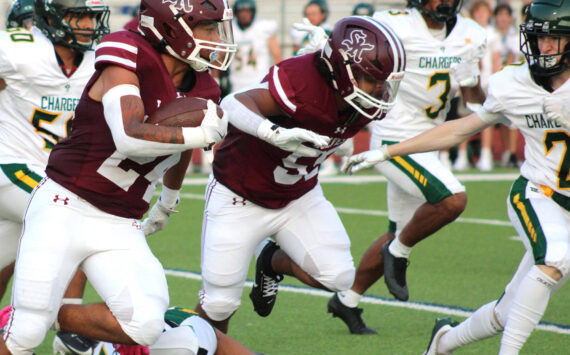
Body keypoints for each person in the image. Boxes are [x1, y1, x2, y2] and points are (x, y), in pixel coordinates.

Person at [0, 0, 235, 353]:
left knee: (144, 324)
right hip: (65, 204)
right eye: (207, 27)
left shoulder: (203, 88)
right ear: (172, 27)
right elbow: (128, 135)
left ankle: (56, 316)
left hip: (120, 220)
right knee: (26, 333)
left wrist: (168, 199)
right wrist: (201, 134)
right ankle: (32, 317)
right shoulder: (126, 51)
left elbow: (180, 149)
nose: (216, 37)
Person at [343, 0, 570, 353]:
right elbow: (462, 128)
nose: (544, 48)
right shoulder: (514, 82)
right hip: (541, 194)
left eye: (555, 39)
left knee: (509, 309)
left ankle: (443, 342)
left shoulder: (469, 36)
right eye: (538, 39)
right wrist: (387, 151)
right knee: (555, 259)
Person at [190, 16, 405, 334]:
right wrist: (272, 132)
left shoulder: (357, 97)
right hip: (240, 194)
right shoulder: (302, 79)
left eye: (384, 79)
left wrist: (342, 146)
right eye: (373, 78)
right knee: (219, 303)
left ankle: (270, 259)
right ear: (343, 70)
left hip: (298, 195)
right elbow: (232, 104)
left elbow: (333, 125)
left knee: (338, 276)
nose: (381, 88)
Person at [326, 0, 488, 335]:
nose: (443, 2)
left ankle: (347, 300)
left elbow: (472, 90)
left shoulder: (471, 34)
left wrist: (486, 96)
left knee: (397, 230)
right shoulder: (396, 24)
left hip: (430, 141)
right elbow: (350, 50)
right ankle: (397, 253)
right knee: (452, 199)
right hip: (394, 138)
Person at [0, 0, 112, 353]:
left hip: (51, 172)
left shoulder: (98, 61)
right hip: (11, 165)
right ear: (50, 17)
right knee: (74, 209)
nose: (87, 25)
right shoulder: (20, 49)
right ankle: (71, 330)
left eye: (92, 17)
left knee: (6, 257)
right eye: (79, 16)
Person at [228, 0, 282, 93]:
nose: (244, 15)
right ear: (236, 12)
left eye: (247, 11)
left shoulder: (263, 27)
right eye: (241, 11)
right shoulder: (230, 29)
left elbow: (277, 55)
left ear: (253, 12)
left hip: (260, 81)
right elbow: (220, 56)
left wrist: (275, 79)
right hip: (236, 82)